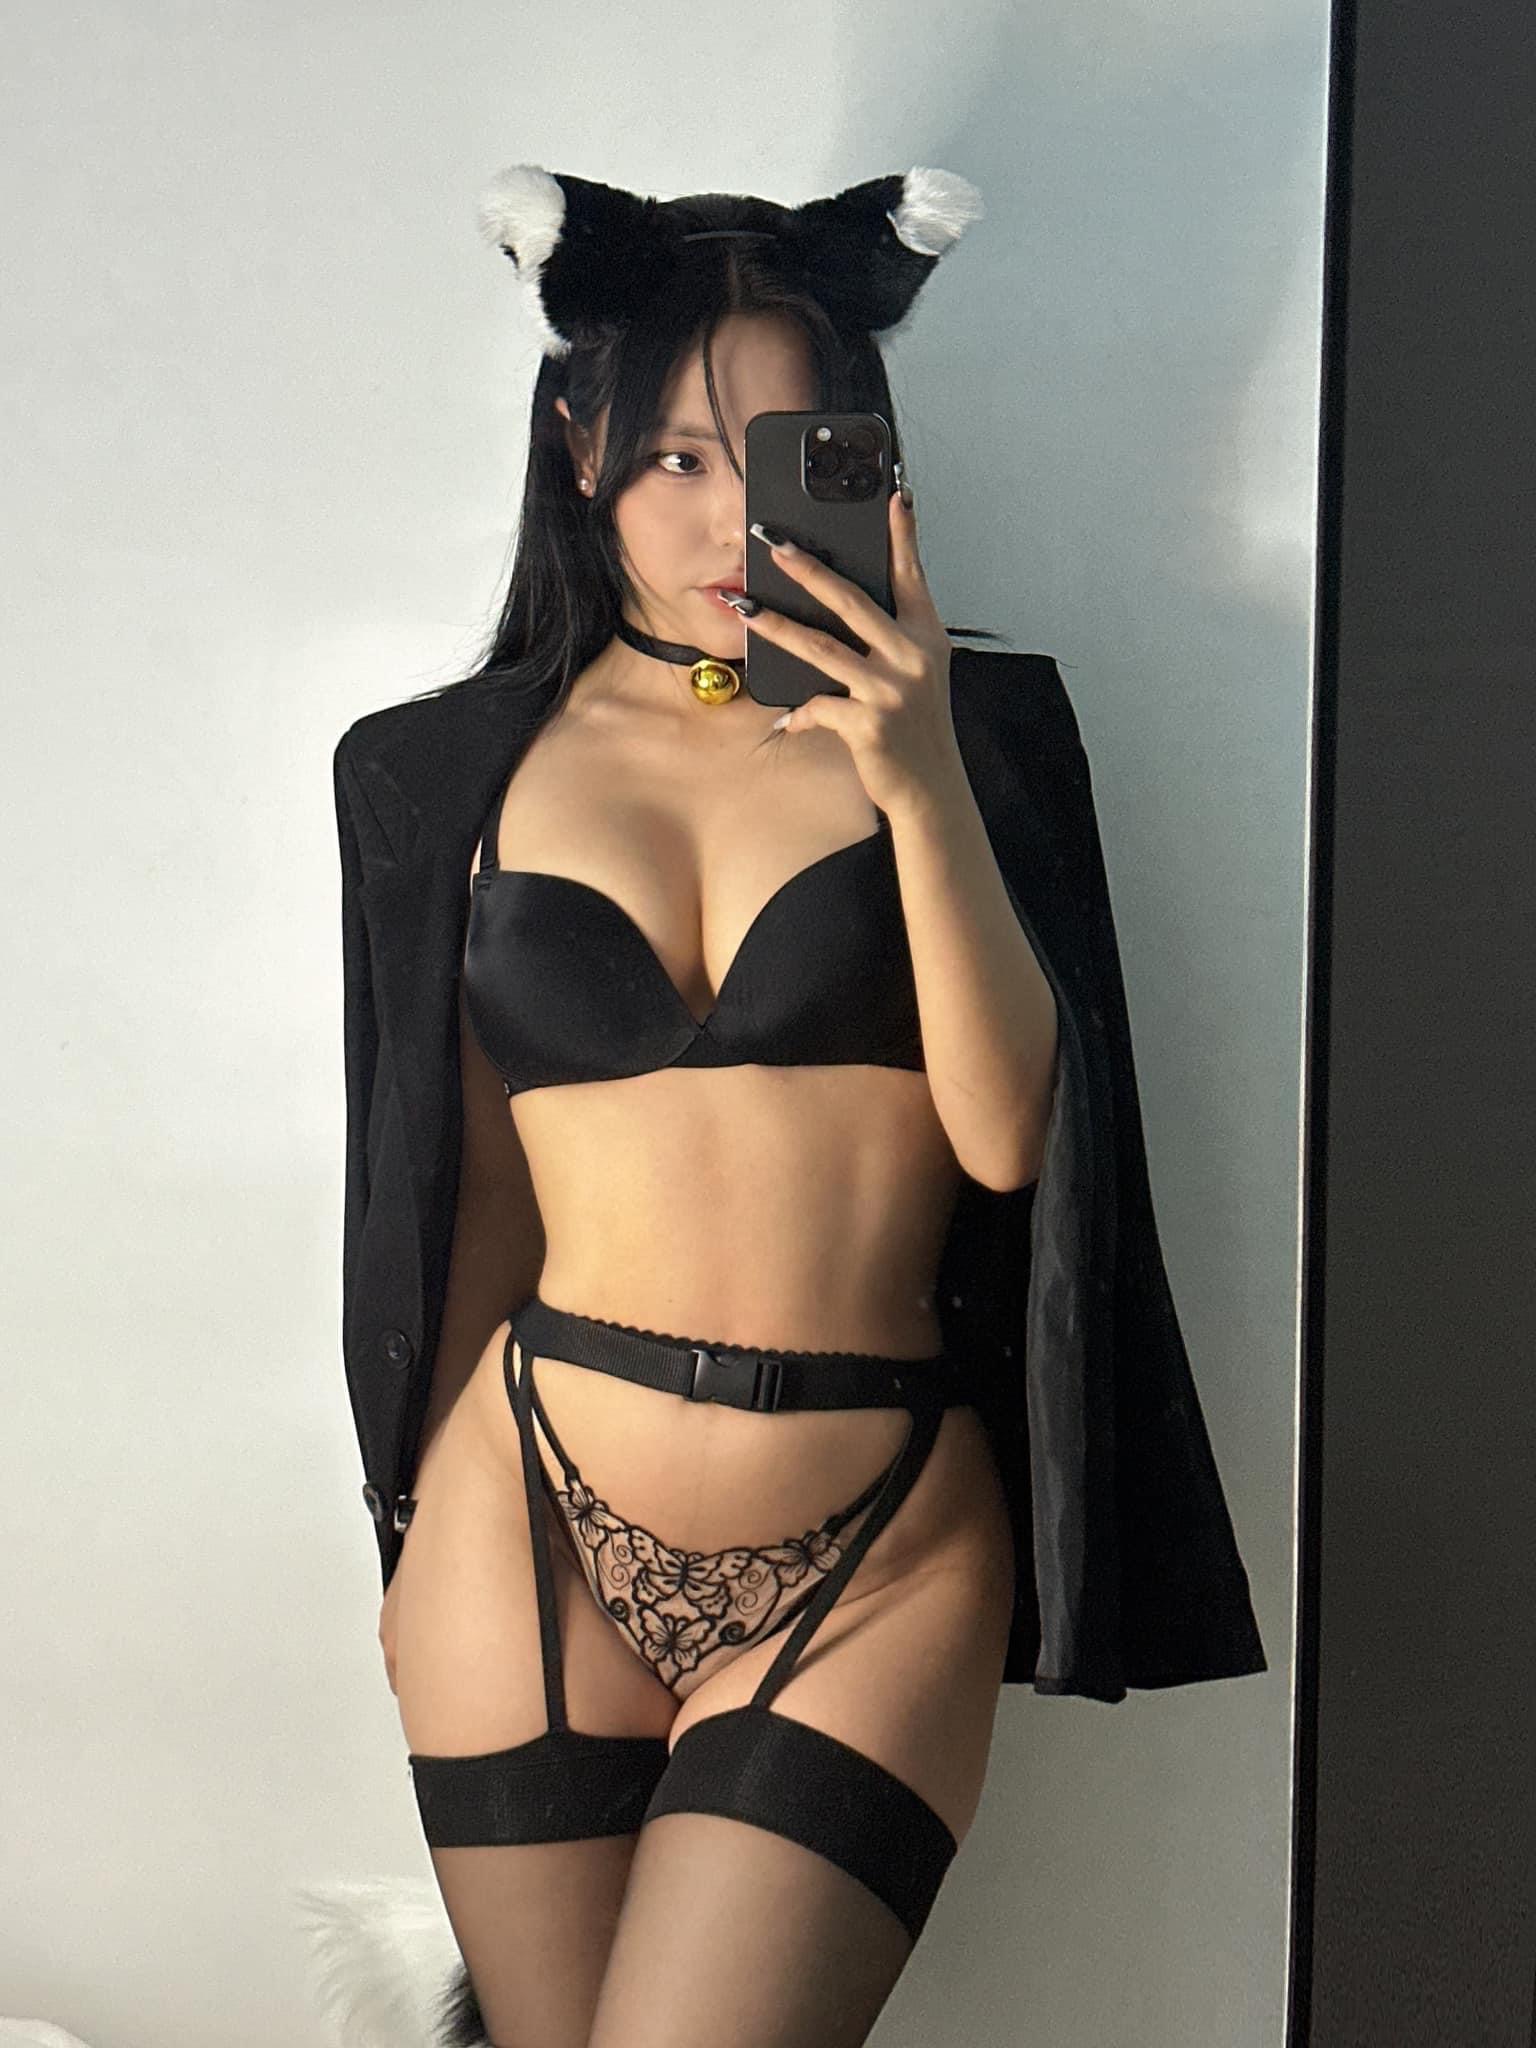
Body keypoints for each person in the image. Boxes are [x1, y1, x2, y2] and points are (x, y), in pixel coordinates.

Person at [333, 163, 1266, 2048]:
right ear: (578, 449)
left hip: (871, 1541)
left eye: (779, 455)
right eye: (674, 456)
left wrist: (915, 773)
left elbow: (1013, 1139)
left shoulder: (983, 738)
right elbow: (469, 1194)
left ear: (863, 460)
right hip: (524, 1520)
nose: (725, 515)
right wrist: (412, 1520)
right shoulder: (441, 774)